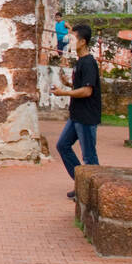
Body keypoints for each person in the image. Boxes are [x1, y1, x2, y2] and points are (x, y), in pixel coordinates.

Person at [53, 23, 101, 199]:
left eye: (73, 39)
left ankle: (95, 192)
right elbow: (81, 86)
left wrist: (63, 92)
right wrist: (67, 84)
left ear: (82, 42)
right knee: (63, 145)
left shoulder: (89, 63)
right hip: (76, 115)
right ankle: (81, 183)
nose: (70, 41)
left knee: (89, 156)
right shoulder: (80, 62)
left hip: (86, 116)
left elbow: (87, 91)